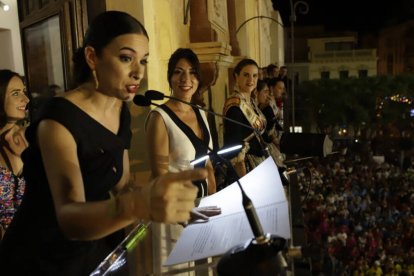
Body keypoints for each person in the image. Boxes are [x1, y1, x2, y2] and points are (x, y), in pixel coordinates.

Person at [0, 11, 206, 275]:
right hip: (43, 257)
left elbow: (123, 185)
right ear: (92, 57)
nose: (138, 73)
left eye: (143, 61)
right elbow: (69, 218)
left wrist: (170, 201)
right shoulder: (58, 119)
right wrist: (140, 204)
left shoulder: (120, 109)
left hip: (98, 248)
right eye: (126, 58)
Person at [145, 48, 218, 273]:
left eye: (192, 72)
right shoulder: (160, 118)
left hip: (203, 211)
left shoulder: (201, 114)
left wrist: (213, 204)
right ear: (169, 77)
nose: (186, 79)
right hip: (174, 214)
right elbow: (160, 176)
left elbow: (208, 164)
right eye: (178, 72)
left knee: (205, 271)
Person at [223, 58, 269, 178]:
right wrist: (244, 181)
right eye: (246, 75)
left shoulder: (251, 102)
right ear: (236, 77)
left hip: (259, 163)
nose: (251, 80)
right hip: (245, 168)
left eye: (255, 76)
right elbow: (234, 146)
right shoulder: (234, 105)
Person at [0, 70, 29, 240]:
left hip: (31, 243)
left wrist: (25, 156)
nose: (25, 100)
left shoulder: (30, 137)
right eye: (15, 93)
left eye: (24, 92)